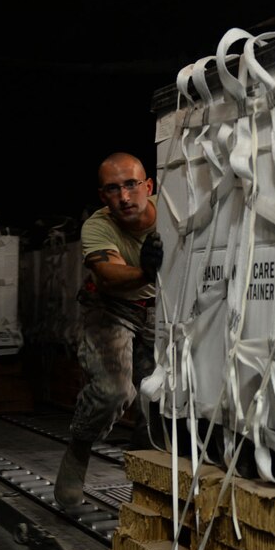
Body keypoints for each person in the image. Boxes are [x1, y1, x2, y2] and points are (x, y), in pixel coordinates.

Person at [55, 152, 164, 509]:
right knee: (113, 391)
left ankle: (146, 488)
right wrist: (147, 272)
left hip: (160, 315)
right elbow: (109, 275)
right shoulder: (98, 225)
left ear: (148, 185)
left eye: (132, 185)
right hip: (110, 308)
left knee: (157, 402)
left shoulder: (173, 213)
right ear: (104, 196)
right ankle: (79, 448)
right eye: (113, 189)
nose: (125, 197)